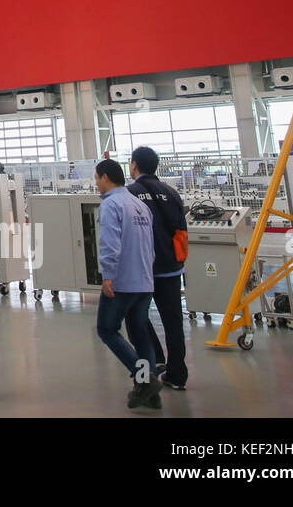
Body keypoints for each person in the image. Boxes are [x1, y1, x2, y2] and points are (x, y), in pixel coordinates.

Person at [94, 157, 163, 412]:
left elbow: (110, 244)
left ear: (105, 178)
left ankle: (145, 379)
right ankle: (151, 395)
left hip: (122, 282)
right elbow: (149, 245)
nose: (97, 184)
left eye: (97, 179)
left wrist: (108, 275)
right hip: (144, 280)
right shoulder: (138, 205)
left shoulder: (111, 205)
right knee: (140, 332)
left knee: (107, 329)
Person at [128, 145, 189, 391]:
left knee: (136, 318)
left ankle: (154, 360)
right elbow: (182, 232)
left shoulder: (129, 194)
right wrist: (179, 262)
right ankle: (177, 375)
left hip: (143, 270)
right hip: (171, 269)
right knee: (173, 322)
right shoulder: (171, 193)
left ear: (134, 165)